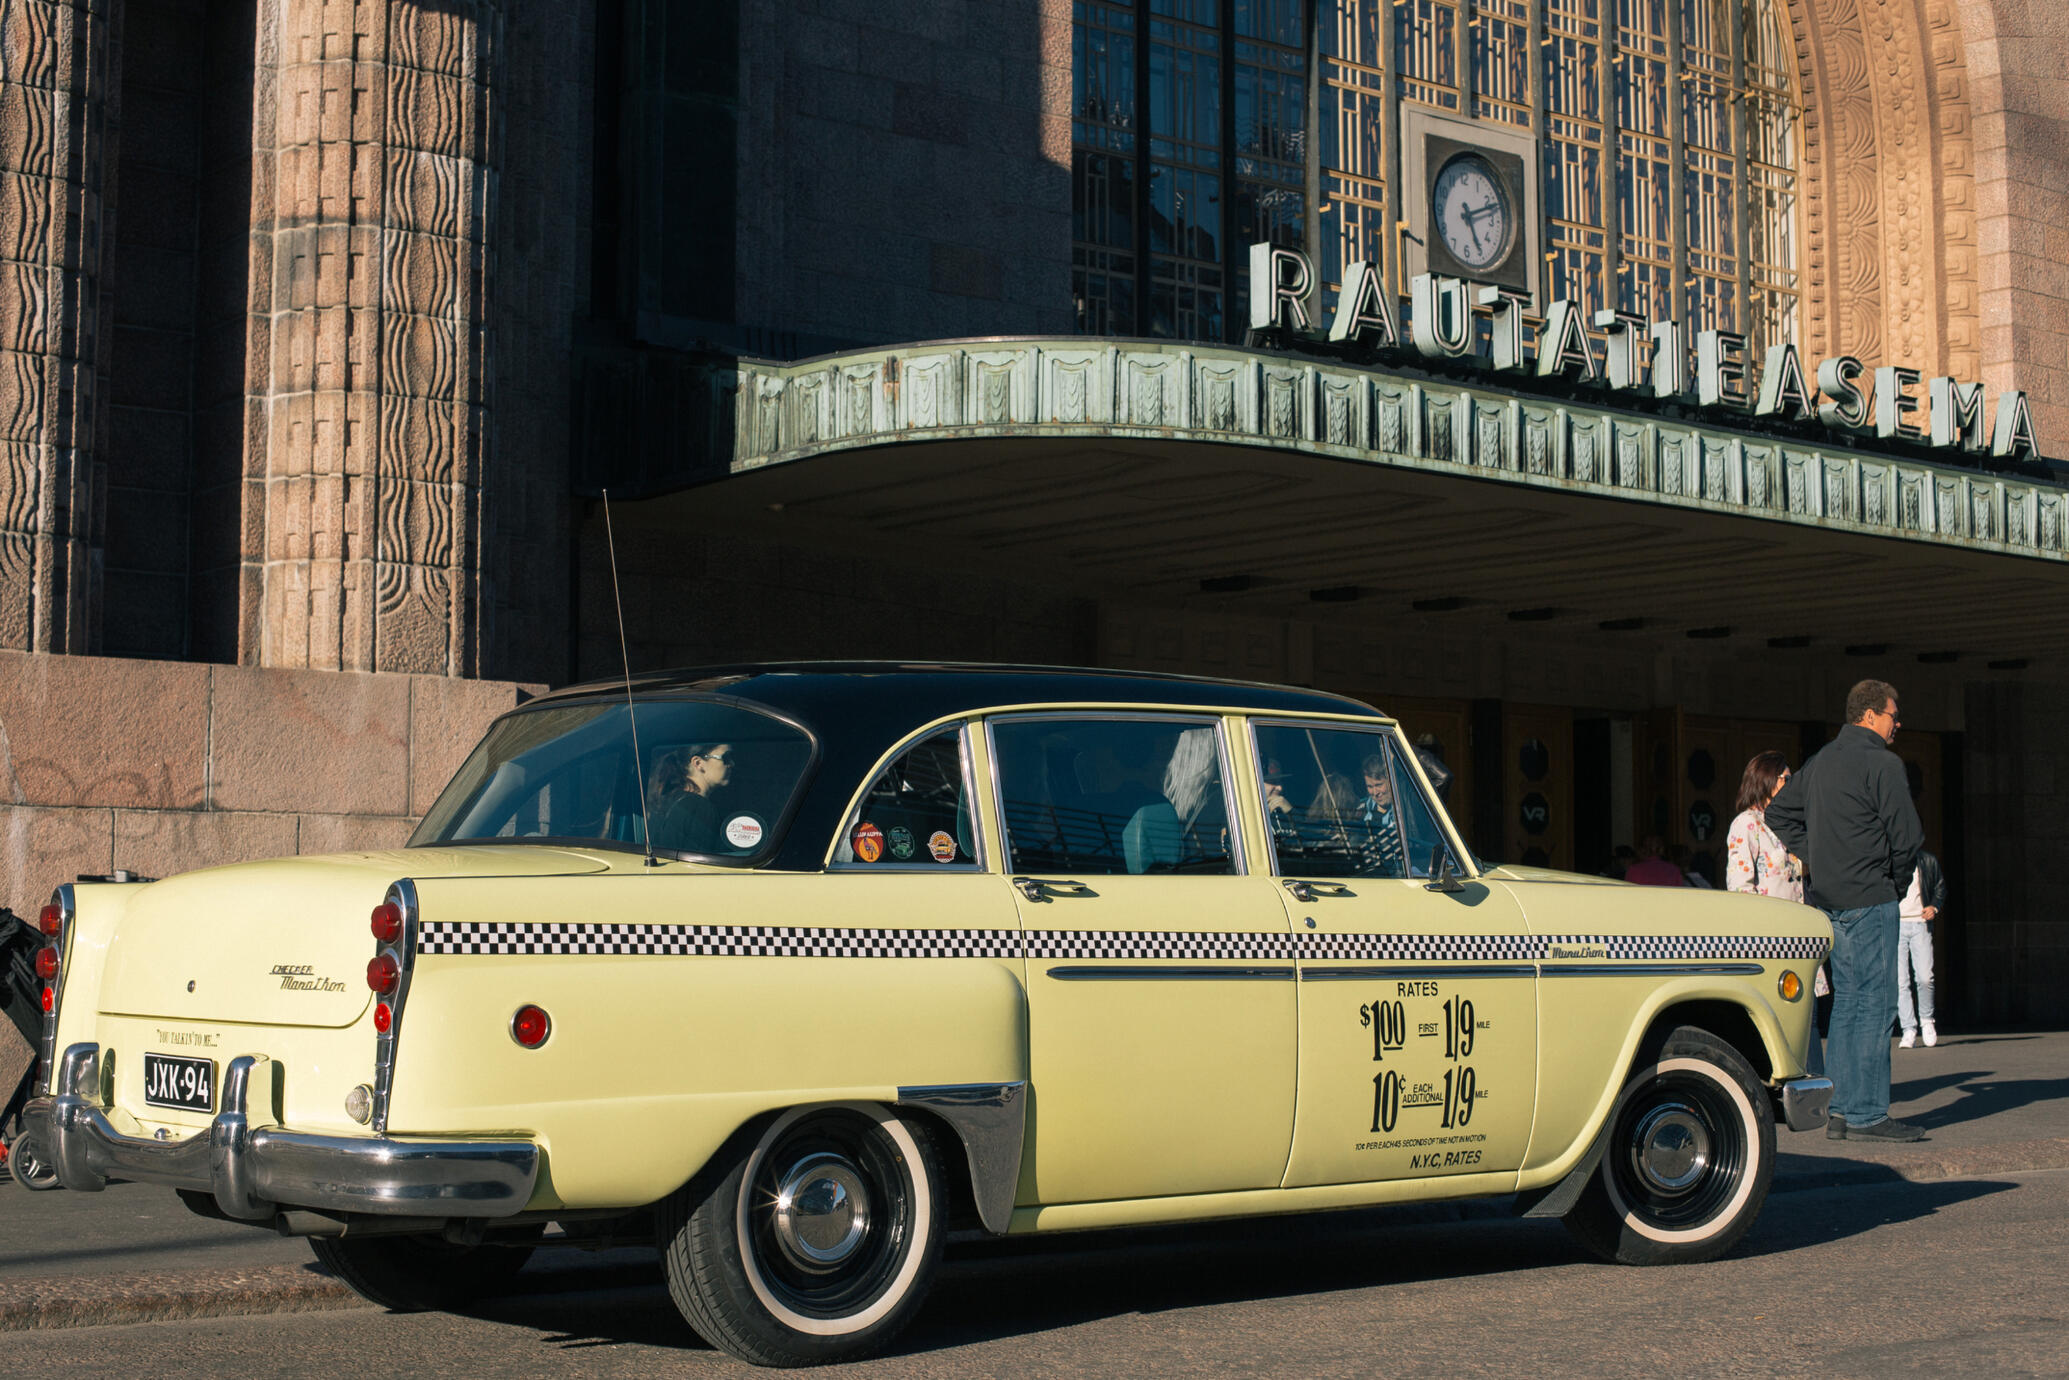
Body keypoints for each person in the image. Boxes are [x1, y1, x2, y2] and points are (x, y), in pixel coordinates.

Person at [1766, 679, 1924, 1142]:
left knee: (1849, 1003)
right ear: (1871, 715)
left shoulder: (1821, 762)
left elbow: (1778, 815)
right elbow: (1908, 837)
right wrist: (1892, 882)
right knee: (1875, 1005)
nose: (1898, 725)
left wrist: (1817, 855)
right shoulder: (1883, 763)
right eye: (1894, 716)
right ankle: (1868, 1113)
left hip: (1831, 898)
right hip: (1870, 896)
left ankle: (1840, 1111)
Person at [1725, 750, 1819, 1074]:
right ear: (1766, 779)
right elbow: (1740, 887)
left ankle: (1816, 1088)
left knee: (1809, 1018)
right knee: (1779, 1018)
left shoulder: (1788, 823)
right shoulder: (1746, 825)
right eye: (1785, 779)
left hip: (1799, 933)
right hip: (1770, 937)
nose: (1790, 784)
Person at [648, 741, 737, 853]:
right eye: (726, 757)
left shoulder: (666, 799)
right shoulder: (700, 807)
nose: (732, 764)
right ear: (698, 763)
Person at [1897, 848, 1945, 1048]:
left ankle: (1927, 1020)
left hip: (1920, 923)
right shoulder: (1890, 859)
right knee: (1901, 980)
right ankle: (1908, 1028)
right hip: (1897, 924)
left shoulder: (1927, 860)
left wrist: (1934, 906)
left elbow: (1939, 887)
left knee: (1925, 976)